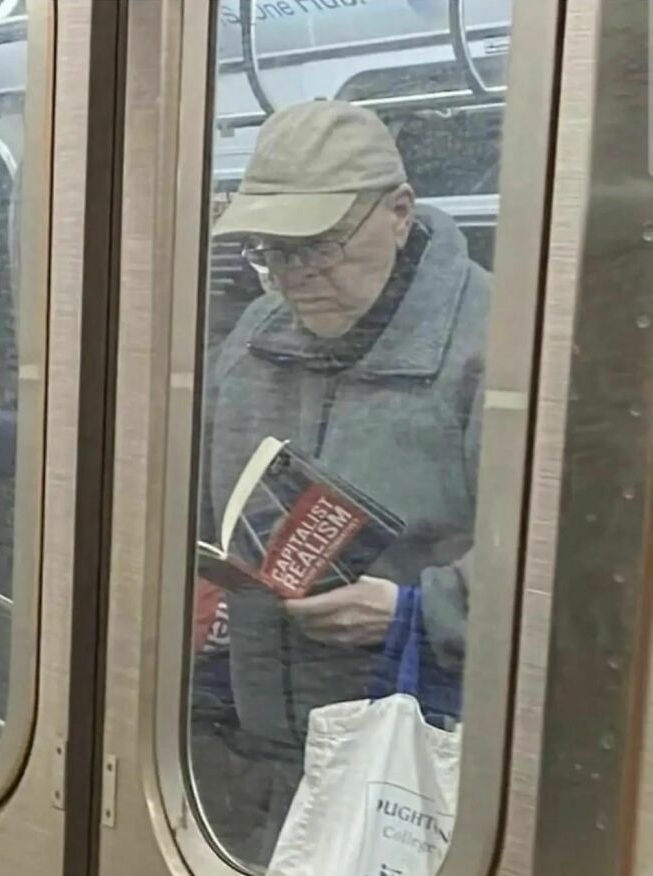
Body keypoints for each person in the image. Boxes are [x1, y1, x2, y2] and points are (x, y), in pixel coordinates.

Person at [198, 98, 489, 865]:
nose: (294, 279)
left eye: (319, 247)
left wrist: (421, 610)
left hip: (425, 759)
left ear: (399, 212)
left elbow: (571, 560)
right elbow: (181, 485)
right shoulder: (256, 337)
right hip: (264, 749)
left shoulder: (496, 347)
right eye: (272, 252)